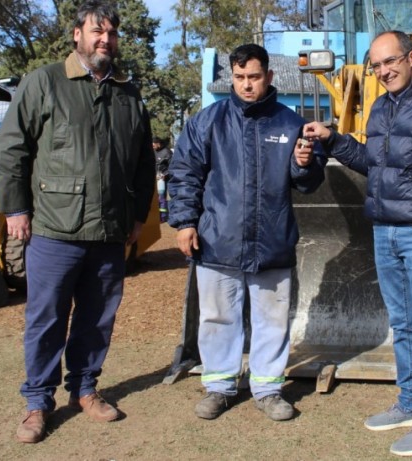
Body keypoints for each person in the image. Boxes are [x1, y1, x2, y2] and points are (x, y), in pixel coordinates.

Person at [301, 30, 412, 456]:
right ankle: (410, 402)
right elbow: (373, 164)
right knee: (401, 326)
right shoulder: (380, 108)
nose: (384, 71)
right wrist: (334, 140)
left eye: (391, 61)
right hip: (384, 231)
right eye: (376, 65)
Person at [0, 0, 156, 444]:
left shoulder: (128, 93)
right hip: (53, 230)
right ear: (77, 36)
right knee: (46, 320)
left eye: (112, 33)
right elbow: (10, 150)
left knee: (97, 319)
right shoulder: (44, 82)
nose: (105, 40)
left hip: (109, 232)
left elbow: (143, 163)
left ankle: (84, 389)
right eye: (97, 31)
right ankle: (37, 403)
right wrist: (16, 209)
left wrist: (138, 216)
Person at [168, 43, 326, 422]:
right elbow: (185, 173)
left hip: (272, 241)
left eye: (254, 77)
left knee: (272, 320)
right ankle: (220, 386)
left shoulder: (291, 124)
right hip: (217, 239)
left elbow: (308, 181)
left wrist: (304, 164)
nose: (246, 85)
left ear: (269, 76)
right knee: (218, 317)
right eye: (239, 78)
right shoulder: (207, 121)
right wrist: (185, 222)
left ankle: (268, 388)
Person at [153, 136, 172, 222]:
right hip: (155, 178)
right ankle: (157, 215)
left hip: (164, 179)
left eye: (153, 144)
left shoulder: (167, 152)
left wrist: (165, 174)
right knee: (155, 197)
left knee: (162, 197)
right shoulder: (152, 152)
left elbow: (173, 166)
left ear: (158, 144)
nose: (152, 145)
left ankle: (163, 216)